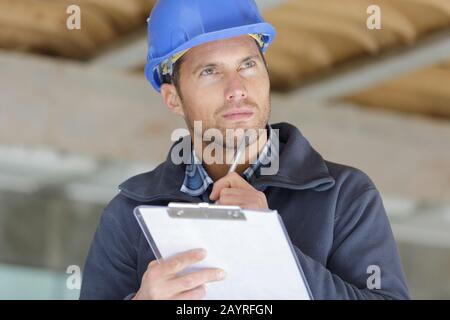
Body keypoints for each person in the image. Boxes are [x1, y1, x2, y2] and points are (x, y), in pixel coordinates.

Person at [80, 0, 409, 300]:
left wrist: (271, 246)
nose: (236, 89)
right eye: (210, 71)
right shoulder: (128, 215)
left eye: (248, 65)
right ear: (173, 98)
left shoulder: (345, 197)